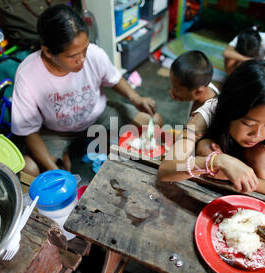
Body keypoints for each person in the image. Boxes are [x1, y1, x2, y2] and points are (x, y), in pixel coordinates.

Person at [11, 4, 162, 176]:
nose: (82, 59)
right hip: (57, 132)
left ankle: (96, 143)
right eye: (73, 56)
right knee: (28, 170)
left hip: (98, 115)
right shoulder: (28, 74)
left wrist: (136, 98)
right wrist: (53, 171)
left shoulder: (94, 54)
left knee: (154, 121)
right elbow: (28, 131)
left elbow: (113, 78)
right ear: (47, 51)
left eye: (85, 49)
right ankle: (73, 151)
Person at [158, 60, 265, 203]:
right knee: (206, 147)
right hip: (207, 191)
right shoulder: (210, 113)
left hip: (248, 200)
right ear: (229, 109)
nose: (257, 134)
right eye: (248, 123)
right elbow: (166, 170)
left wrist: (237, 175)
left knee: (260, 155)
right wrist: (218, 161)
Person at [169, 50, 219, 123]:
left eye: (176, 89)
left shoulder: (207, 116)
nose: (173, 91)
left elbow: (191, 131)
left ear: (198, 92)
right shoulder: (203, 84)